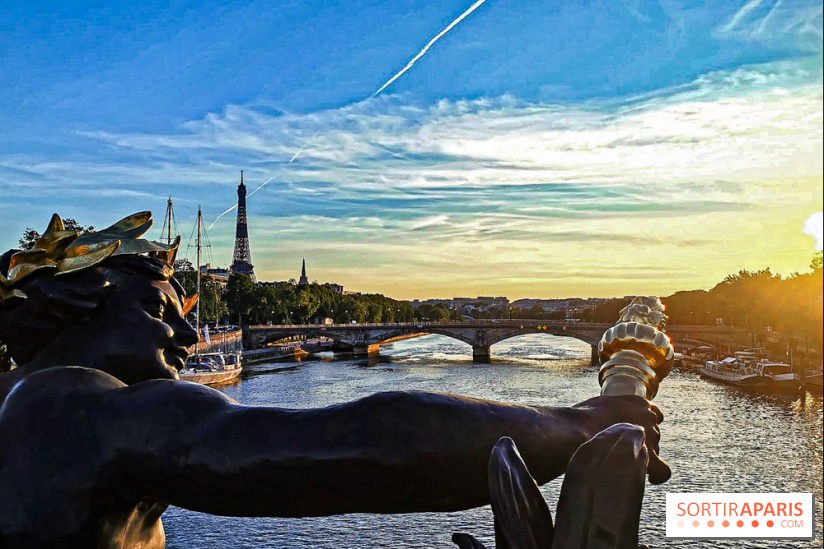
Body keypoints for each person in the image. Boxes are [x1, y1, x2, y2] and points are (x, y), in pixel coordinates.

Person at [0, 213, 665, 549]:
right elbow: (363, 445)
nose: (185, 338)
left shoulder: (24, 401)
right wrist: (581, 421)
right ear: (91, 301)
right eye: (160, 312)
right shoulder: (80, 411)